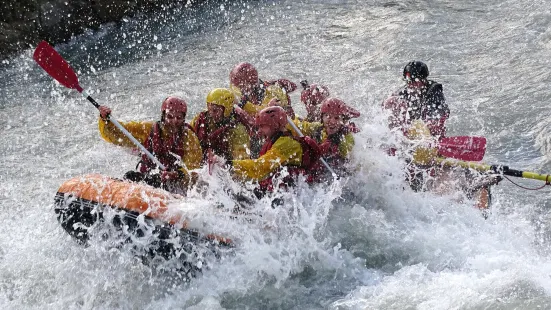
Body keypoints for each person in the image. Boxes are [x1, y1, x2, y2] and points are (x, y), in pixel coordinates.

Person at [98, 96, 202, 192]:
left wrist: (176, 174)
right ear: (163, 116)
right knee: (130, 176)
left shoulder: (189, 138)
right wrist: (106, 119)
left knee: (155, 181)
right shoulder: (149, 129)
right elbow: (118, 134)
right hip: (151, 175)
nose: (174, 121)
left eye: (179, 117)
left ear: (184, 119)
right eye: (170, 116)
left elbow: (194, 170)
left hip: (175, 183)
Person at [231, 106, 320, 196]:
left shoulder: (286, 144)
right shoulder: (277, 140)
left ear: (275, 125)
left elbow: (260, 168)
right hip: (286, 191)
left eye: (262, 127)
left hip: (293, 192)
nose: (259, 131)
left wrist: (230, 165)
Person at [293, 97, 360, 180]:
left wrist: (332, 146)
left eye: (337, 118)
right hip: (323, 173)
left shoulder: (346, 138)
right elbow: (301, 126)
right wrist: (288, 116)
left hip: (342, 176)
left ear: (343, 121)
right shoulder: (318, 127)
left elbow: (351, 161)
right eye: (328, 116)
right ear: (322, 117)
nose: (332, 121)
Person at [383, 61, 449, 139]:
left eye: (414, 82)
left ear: (423, 80)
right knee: (395, 104)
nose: (410, 85)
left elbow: (436, 118)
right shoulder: (406, 92)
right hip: (414, 133)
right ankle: (396, 139)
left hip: (432, 134)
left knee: (429, 124)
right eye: (408, 82)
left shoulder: (434, 92)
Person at [190, 88, 250, 164]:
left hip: (225, 163)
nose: (211, 114)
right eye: (209, 108)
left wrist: (222, 162)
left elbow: (242, 161)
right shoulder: (201, 119)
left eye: (215, 111)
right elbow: (188, 136)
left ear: (226, 110)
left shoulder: (238, 130)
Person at [229, 62, 296, 116]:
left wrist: (268, 108)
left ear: (250, 83)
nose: (238, 90)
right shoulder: (236, 90)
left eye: (240, 87)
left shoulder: (272, 93)